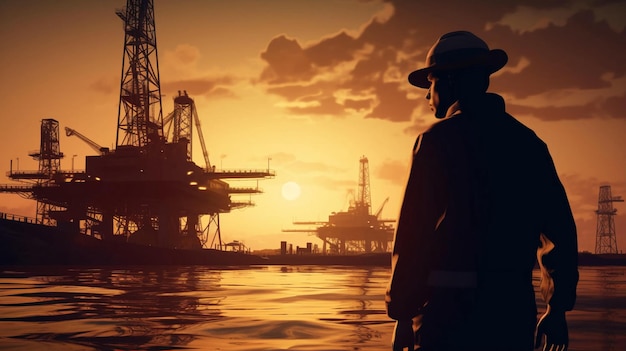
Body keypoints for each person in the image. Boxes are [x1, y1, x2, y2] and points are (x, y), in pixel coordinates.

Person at [385, 31, 579, 351]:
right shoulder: (529, 144)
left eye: (430, 83)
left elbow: (413, 236)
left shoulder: (436, 142)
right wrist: (556, 308)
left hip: (445, 315)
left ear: (448, 82)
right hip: (512, 315)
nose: (426, 95)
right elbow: (559, 230)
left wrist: (403, 314)